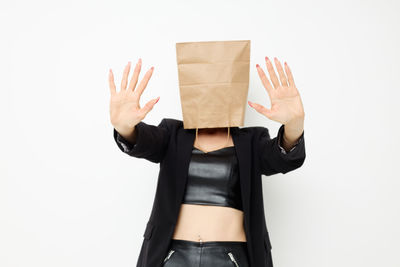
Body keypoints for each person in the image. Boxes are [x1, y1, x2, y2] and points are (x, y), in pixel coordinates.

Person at [109, 56, 305, 267]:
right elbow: (142, 141)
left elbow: (283, 157)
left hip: (231, 259)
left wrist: (294, 126)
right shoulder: (172, 134)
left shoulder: (252, 141)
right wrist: (125, 127)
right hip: (172, 258)